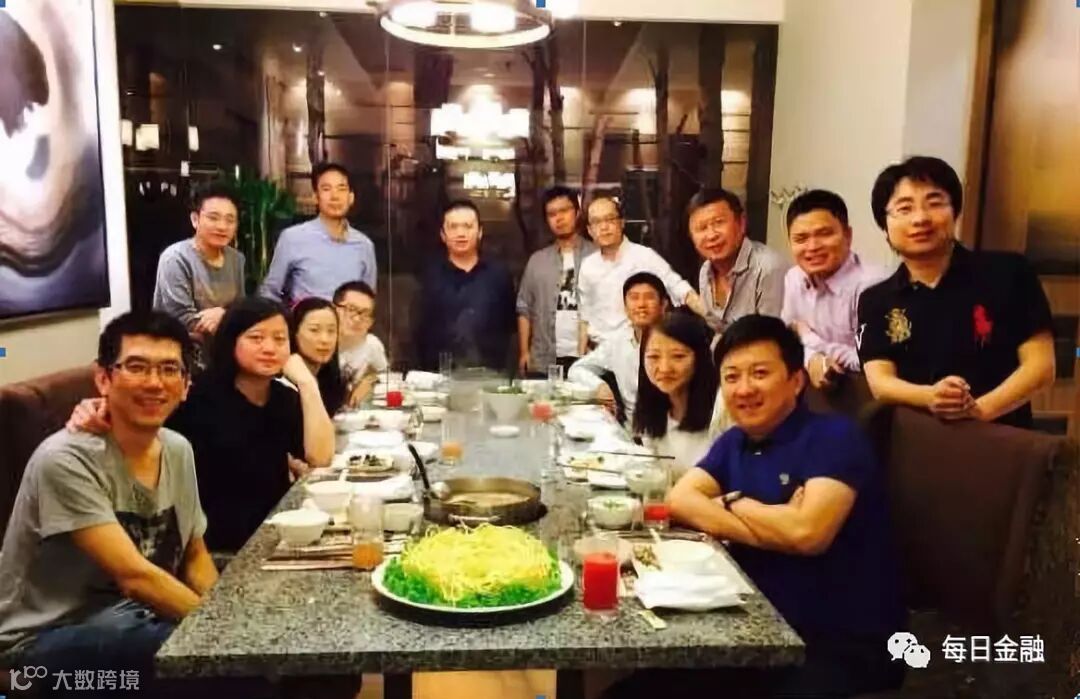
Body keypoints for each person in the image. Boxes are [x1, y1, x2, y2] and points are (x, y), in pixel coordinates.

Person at [645, 315, 904, 698]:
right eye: (731, 377)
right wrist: (774, 519)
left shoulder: (833, 438)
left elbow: (807, 534)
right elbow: (680, 500)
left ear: (796, 381)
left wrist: (732, 504)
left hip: (836, 641)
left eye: (760, 373)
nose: (744, 388)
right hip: (756, 623)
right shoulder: (735, 441)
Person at [0, 312, 217, 684]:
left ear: (185, 385)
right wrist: (222, 631)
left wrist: (229, 618)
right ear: (103, 378)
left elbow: (195, 556)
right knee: (196, 658)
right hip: (38, 641)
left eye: (169, 369)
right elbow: (135, 578)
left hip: (131, 616)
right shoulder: (66, 459)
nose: (154, 382)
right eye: (136, 367)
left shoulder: (177, 449)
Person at [68, 298, 335, 552]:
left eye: (280, 339)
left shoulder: (282, 398)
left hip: (274, 533)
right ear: (231, 340)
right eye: (256, 338)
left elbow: (320, 458)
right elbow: (138, 420)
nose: (269, 348)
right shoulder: (197, 397)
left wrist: (307, 384)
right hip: (217, 545)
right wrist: (98, 408)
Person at [858, 156, 1055, 428]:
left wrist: (978, 412)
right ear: (885, 227)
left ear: (956, 212)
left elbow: (1041, 368)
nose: (920, 218)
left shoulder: (1009, 272)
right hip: (916, 441)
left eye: (935, 203)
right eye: (904, 209)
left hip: (1001, 436)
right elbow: (880, 383)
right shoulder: (876, 300)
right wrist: (931, 396)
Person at [780, 189, 888, 390]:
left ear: (848, 235)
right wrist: (812, 358)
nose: (812, 247)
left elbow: (869, 362)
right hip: (810, 390)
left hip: (864, 393)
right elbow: (786, 340)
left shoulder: (873, 286)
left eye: (824, 234)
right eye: (801, 239)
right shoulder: (794, 277)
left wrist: (810, 340)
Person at [577, 196, 703, 349]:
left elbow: (680, 288)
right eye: (597, 222)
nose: (604, 227)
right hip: (597, 350)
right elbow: (584, 316)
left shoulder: (644, 256)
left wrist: (713, 317)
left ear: (621, 222)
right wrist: (580, 355)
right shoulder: (588, 265)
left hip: (634, 348)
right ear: (590, 230)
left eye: (610, 219)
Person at [152, 181, 246, 370]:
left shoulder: (236, 259)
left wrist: (224, 314)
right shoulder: (175, 258)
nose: (222, 226)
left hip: (223, 354)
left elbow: (242, 308)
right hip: (178, 356)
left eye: (230, 220)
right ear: (195, 219)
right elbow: (182, 319)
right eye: (213, 218)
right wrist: (229, 316)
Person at [414, 199, 516, 370]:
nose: (460, 233)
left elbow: (509, 327)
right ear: (443, 235)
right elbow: (419, 330)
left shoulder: (499, 274)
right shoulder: (429, 276)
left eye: (468, 226)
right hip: (439, 375)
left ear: (480, 232)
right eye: (453, 227)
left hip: (490, 375)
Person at [260, 162, 377, 306]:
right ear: (316, 197)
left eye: (341, 189)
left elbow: (368, 300)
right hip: (306, 319)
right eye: (326, 189)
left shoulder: (364, 246)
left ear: (351, 197)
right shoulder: (293, 238)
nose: (335, 196)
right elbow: (270, 292)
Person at [633, 309, 731, 479]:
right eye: (654, 357)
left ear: (699, 358)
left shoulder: (722, 407)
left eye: (678, 356)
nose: (664, 368)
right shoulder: (654, 407)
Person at [516, 186, 596, 376]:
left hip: (588, 357)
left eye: (564, 210)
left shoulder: (596, 255)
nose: (559, 218)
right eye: (552, 214)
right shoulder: (537, 260)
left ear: (577, 212)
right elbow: (524, 307)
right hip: (544, 358)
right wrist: (524, 352)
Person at [568, 272, 668, 424]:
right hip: (631, 430)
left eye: (649, 297)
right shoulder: (617, 342)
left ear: (663, 305)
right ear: (625, 307)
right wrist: (599, 386)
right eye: (634, 298)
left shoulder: (678, 343)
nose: (641, 304)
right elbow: (577, 369)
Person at [688, 188, 787, 335]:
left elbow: (771, 339)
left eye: (718, 222)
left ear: (741, 223)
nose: (711, 235)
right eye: (701, 228)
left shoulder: (768, 269)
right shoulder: (706, 271)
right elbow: (717, 332)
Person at [333, 280, 388, 408]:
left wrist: (371, 381)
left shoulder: (372, 344)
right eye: (351, 309)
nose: (357, 319)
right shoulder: (320, 343)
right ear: (334, 309)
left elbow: (386, 377)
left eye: (365, 313)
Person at [290, 297, 349, 416]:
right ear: (295, 333)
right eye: (314, 330)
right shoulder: (284, 386)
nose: (325, 340)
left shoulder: (332, 380)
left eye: (331, 331)